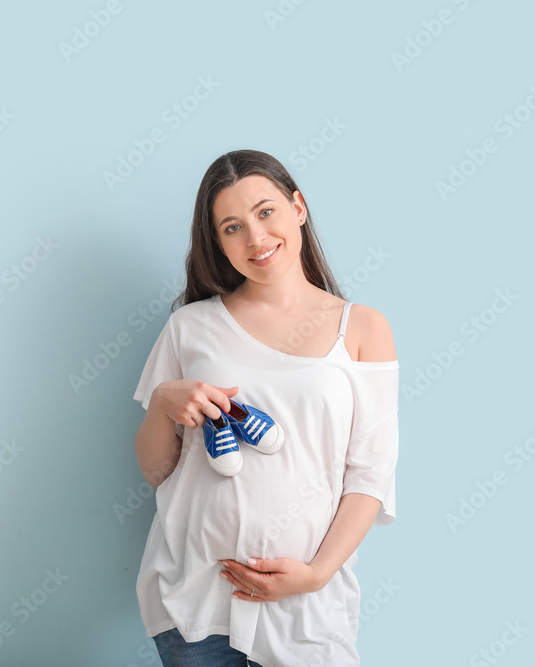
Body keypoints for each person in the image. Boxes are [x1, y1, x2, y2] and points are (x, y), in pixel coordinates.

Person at [132, 149, 399, 666]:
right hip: (197, 603)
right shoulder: (189, 328)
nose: (255, 237)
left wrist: (316, 574)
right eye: (231, 227)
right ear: (217, 243)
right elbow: (155, 469)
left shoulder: (363, 328)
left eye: (265, 212)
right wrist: (163, 405)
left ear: (297, 208)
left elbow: (370, 474)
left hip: (308, 606)